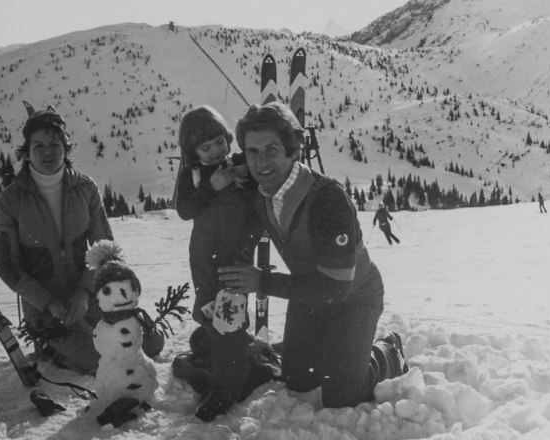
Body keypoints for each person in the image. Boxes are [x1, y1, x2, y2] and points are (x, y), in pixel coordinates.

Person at [218, 102, 408, 409]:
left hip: (354, 297)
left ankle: (388, 351)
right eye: (252, 152)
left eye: (271, 149)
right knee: (298, 381)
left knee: (341, 396)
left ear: (292, 151)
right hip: (309, 296)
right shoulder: (261, 188)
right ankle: (337, 350)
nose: (261, 161)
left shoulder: (327, 200)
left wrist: (262, 281)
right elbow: (240, 169)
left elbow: (336, 288)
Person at [170, 105, 274, 421]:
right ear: (193, 152)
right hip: (203, 255)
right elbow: (184, 209)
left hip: (235, 256)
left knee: (229, 308)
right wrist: (209, 188)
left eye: (219, 142)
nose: (216, 151)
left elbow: (263, 189)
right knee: (209, 305)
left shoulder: (239, 163)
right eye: (206, 147)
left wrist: (245, 176)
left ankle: (227, 386)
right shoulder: (192, 175)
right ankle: (229, 349)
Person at [0, 101, 113, 374]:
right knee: (100, 362)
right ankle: (50, 349)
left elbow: (103, 247)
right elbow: (7, 266)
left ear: (66, 149)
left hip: (88, 299)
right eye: (39, 146)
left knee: (146, 343)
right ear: (27, 152)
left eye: (55, 145)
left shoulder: (85, 188)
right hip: (45, 309)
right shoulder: (11, 200)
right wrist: (48, 302)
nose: (48, 152)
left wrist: (84, 293)